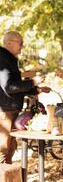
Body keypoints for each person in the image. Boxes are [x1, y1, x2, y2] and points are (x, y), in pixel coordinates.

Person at [0, 31, 51, 164]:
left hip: (10, 110)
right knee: (3, 152)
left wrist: (36, 89)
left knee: (9, 150)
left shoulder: (9, 59)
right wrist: (33, 82)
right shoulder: (2, 59)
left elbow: (15, 88)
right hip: (5, 112)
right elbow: (9, 87)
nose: (22, 46)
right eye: (20, 43)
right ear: (9, 43)